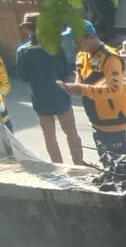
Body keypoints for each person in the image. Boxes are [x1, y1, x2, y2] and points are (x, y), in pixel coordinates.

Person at [58, 21, 126, 163]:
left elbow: (115, 90)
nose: (75, 43)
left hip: (117, 124)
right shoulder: (82, 57)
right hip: (97, 122)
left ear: (90, 37)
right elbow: (81, 80)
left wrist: (83, 90)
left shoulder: (110, 58)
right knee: (108, 165)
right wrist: (73, 88)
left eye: (78, 39)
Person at [15, 13, 85, 165]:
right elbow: (66, 71)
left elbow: (23, 77)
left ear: (27, 29)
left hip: (40, 98)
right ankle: (79, 164)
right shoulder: (56, 47)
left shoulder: (23, 51)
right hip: (61, 96)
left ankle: (58, 165)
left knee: (49, 135)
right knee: (71, 132)